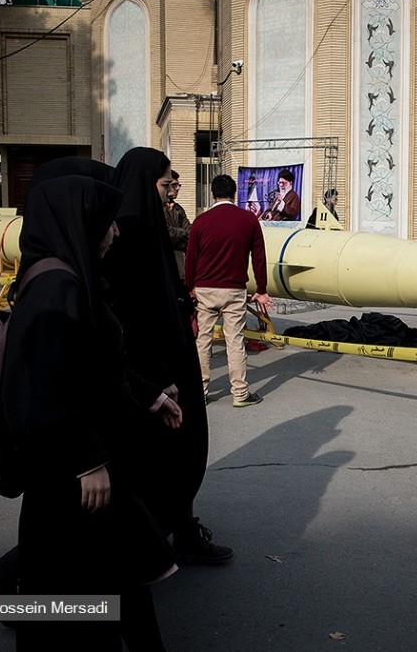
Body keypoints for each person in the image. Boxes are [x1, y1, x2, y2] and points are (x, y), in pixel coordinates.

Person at [3, 175, 176, 649]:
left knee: (102, 583)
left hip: (71, 466)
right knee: (75, 589)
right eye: (106, 224)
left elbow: (98, 365)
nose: (115, 233)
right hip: (69, 475)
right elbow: (49, 386)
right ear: (81, 223)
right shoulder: (58, 287)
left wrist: (149, 396)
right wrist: (87, 461)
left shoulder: (63, 276)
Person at [105, 147, 233, 565]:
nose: (170, 191)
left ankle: (176, 529)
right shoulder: (128, 231)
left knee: (178, 454)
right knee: (152, 460)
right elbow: (131, 315)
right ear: (146, 183)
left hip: (168, 362)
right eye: (165, 184)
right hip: (151, 373)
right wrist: (157, 377)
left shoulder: (150, 224)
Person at [186, 174, 272, 407]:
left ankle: (201, 392)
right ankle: (240, 393)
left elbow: (191, 258)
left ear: (212, 194)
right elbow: (260, 257)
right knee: (235, 341)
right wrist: (262, 288)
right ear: (234, 194)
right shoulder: (248, 220)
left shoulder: (201, 222)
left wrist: (190, 286)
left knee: (202, 341)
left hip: (204, 289)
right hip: (234, 290)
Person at [164, 170, 190, 286]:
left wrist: (179, 234)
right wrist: (181, 233)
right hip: (164, 265)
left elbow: (190, 232)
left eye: (178, 185)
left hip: (180, 266)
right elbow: (165, 233)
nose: (177, 188)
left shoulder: (178, 209)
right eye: (174, 185)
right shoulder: (157, 207)